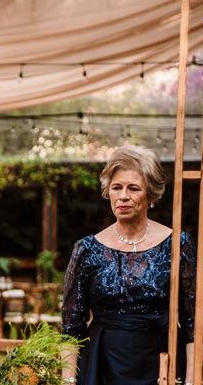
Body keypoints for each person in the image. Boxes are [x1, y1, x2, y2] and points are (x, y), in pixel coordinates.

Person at [61, 145, 196, 385]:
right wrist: (67, 381)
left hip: (161, 365)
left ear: (151, 194)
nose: (123, 196)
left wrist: (191, 381)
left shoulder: (177, 245)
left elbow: (192, 323)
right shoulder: (86, 249)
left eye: (133, 188)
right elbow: (72, 327)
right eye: (116, 187)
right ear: (108, 192)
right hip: (103, 366)